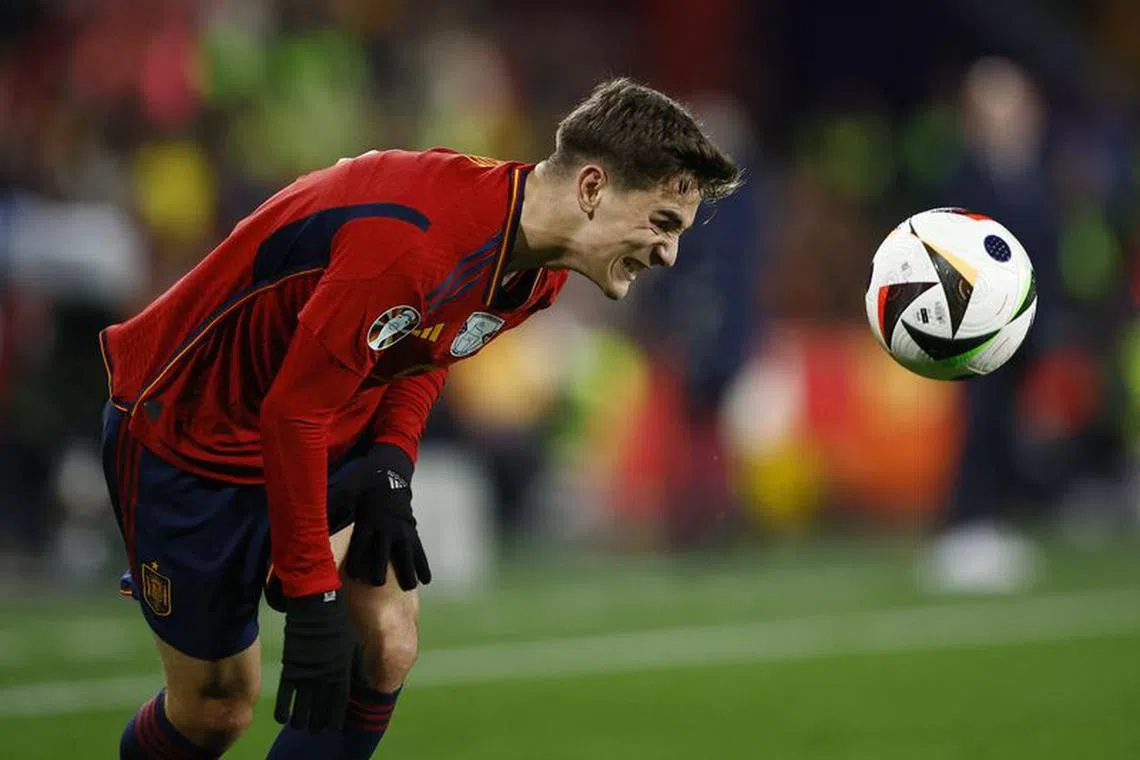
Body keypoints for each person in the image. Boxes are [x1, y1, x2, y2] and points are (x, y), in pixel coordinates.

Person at [100, 77, 740, 759]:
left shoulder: (539, 264)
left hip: (319, 418)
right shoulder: (414, 242)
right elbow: (292, 413)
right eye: (663, 224)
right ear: (590, 188)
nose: (669, 254)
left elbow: (432, 341)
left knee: (387, 644)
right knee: (216, 708)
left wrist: (390, 465)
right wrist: (314, 599)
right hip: (190, 433)